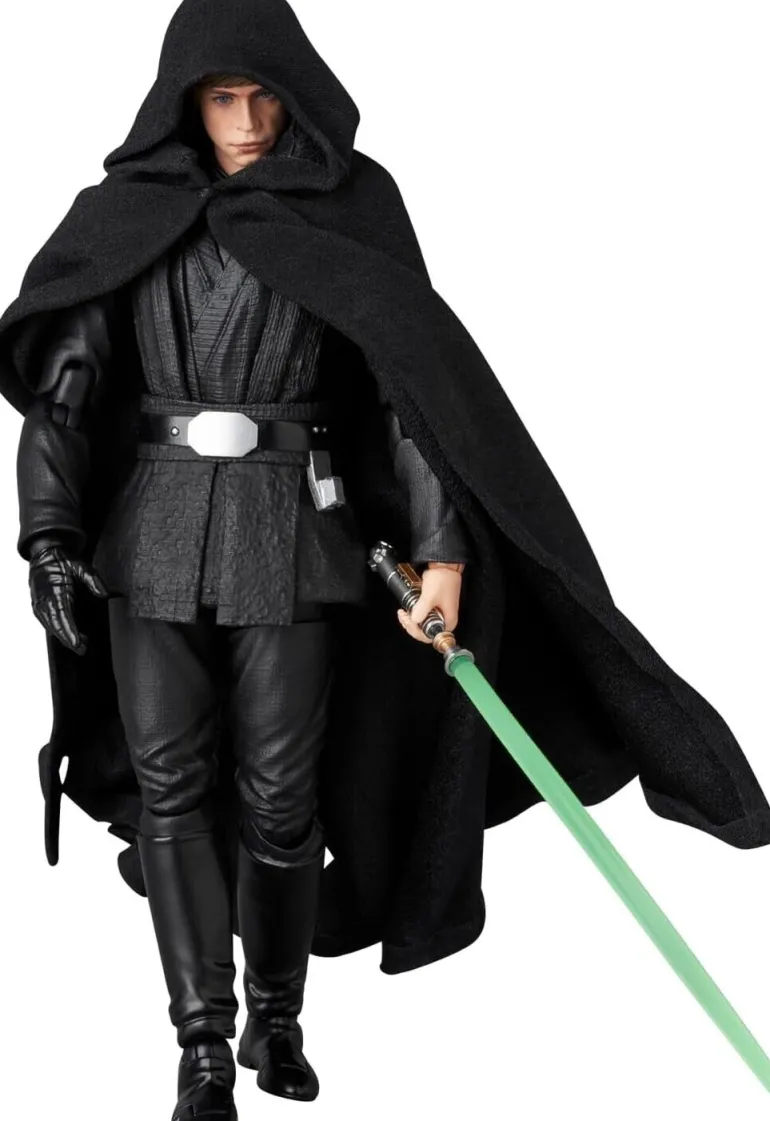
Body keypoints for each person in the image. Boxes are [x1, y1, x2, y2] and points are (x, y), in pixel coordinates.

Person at [2, 1, 769, 1117]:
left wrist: (442, 551)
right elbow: (65, 398)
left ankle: (276, 1015)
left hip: (292, 539)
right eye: (223, 98)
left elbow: (410, 395)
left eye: (265, 97)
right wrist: (48, 538)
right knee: (172, 790)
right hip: (150, 540)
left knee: (280, 798)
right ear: (182, 104)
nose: (247, 121)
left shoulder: (349, 207)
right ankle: (201, 1043)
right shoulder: (123, 216)